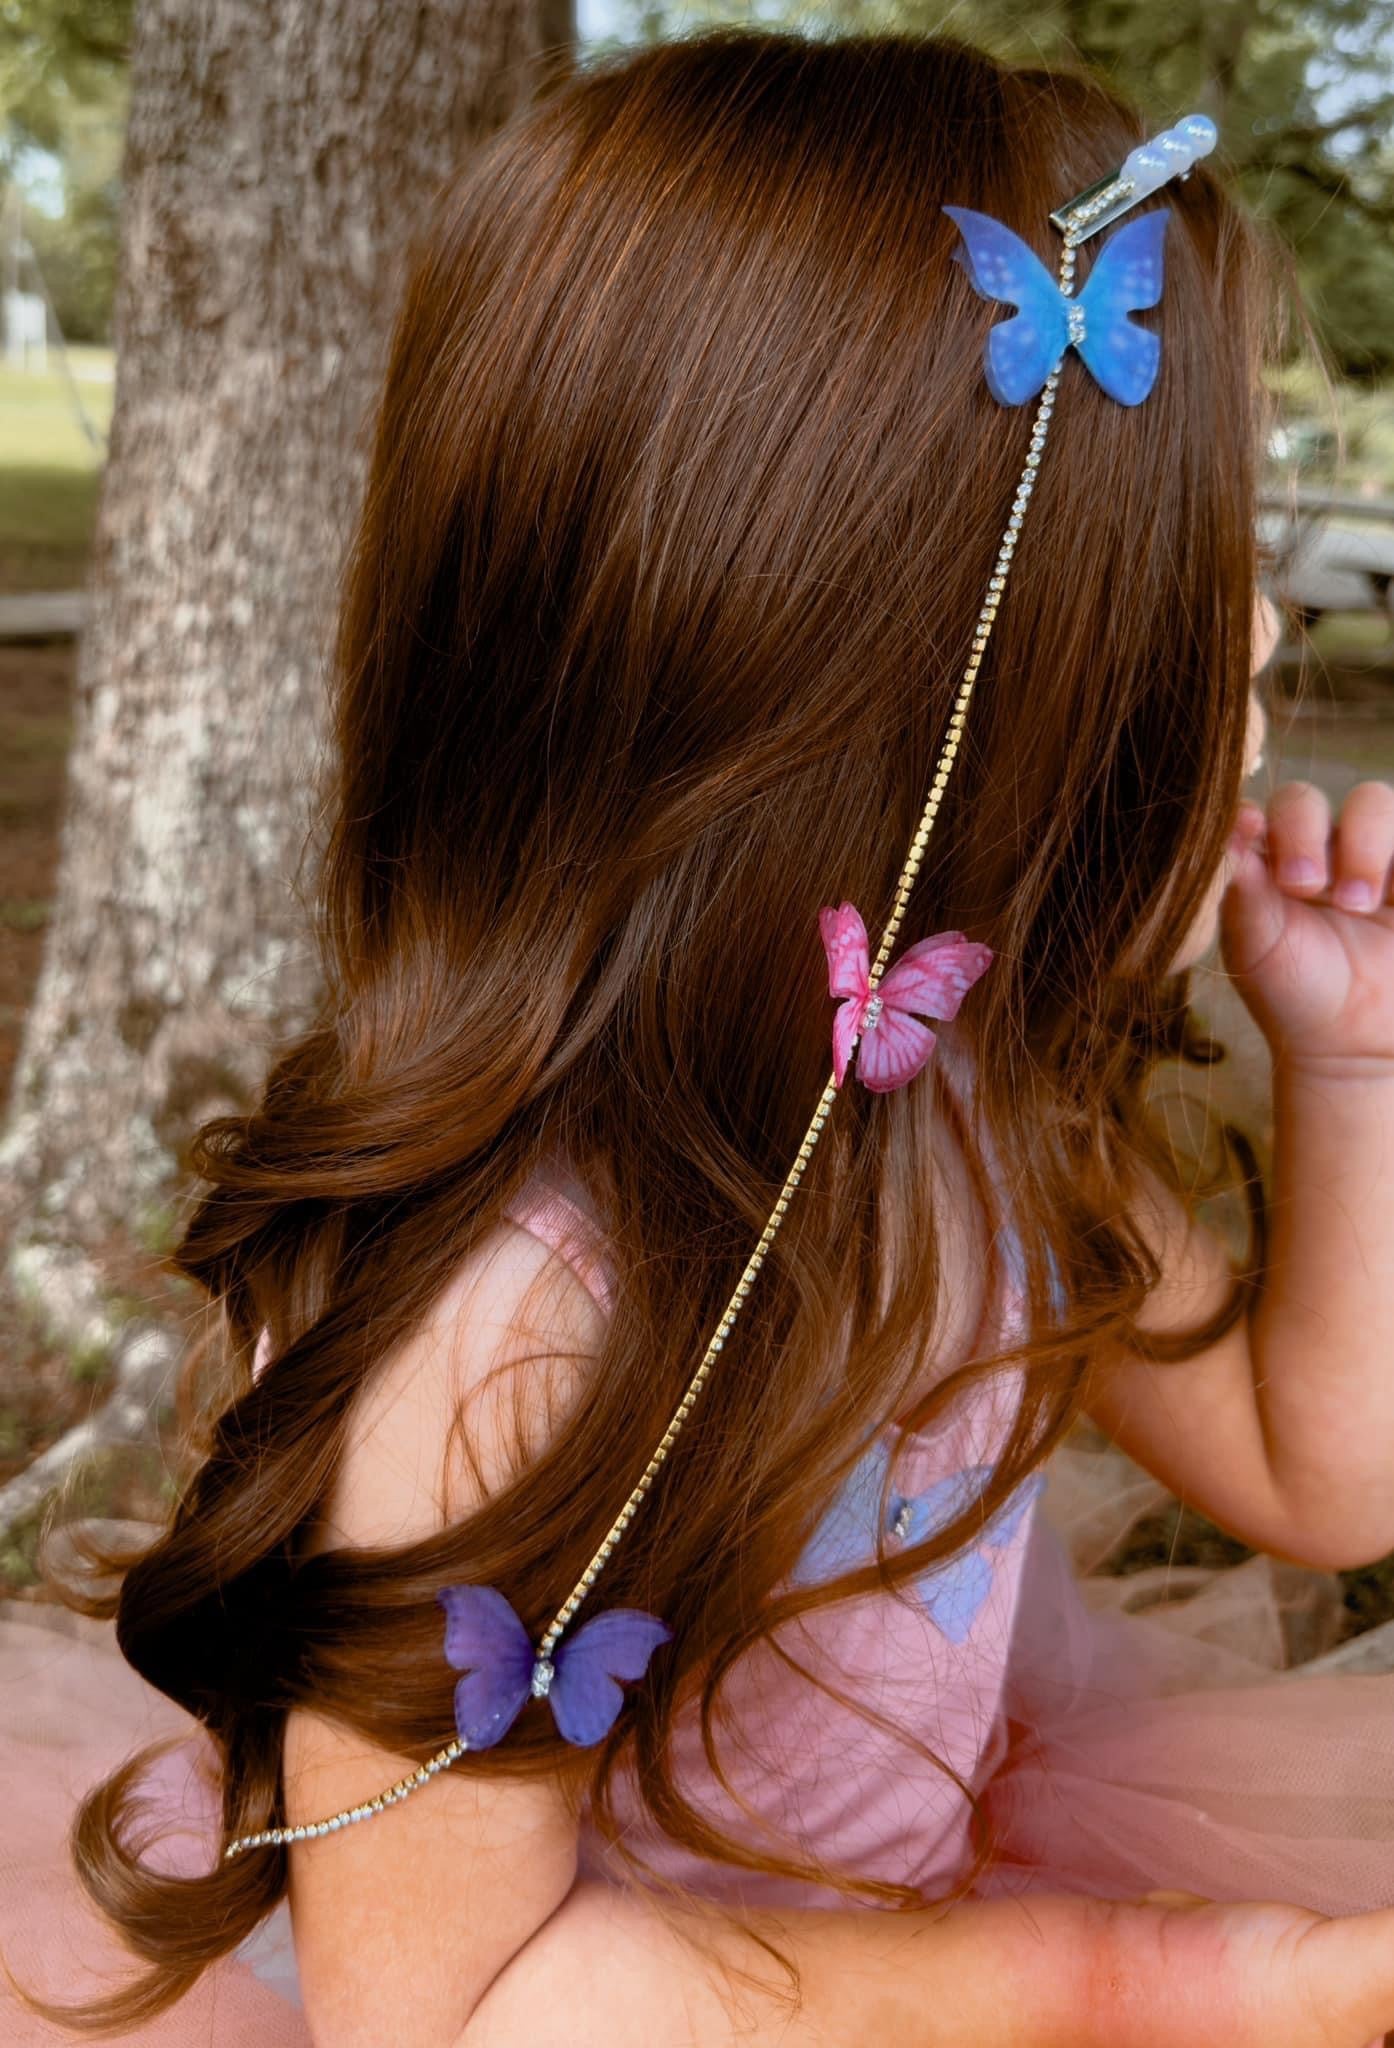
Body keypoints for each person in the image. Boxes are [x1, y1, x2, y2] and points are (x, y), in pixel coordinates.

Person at [6, 26, 1394, 2047]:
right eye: (1207, 626)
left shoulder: (977, 1124)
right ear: (961, 735)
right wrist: (1137, 1968)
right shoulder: (528, 1324)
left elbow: (1314, 1469)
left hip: (902, 1951)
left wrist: (1351, 1070)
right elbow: (443, 2006)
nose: (1266, 666)